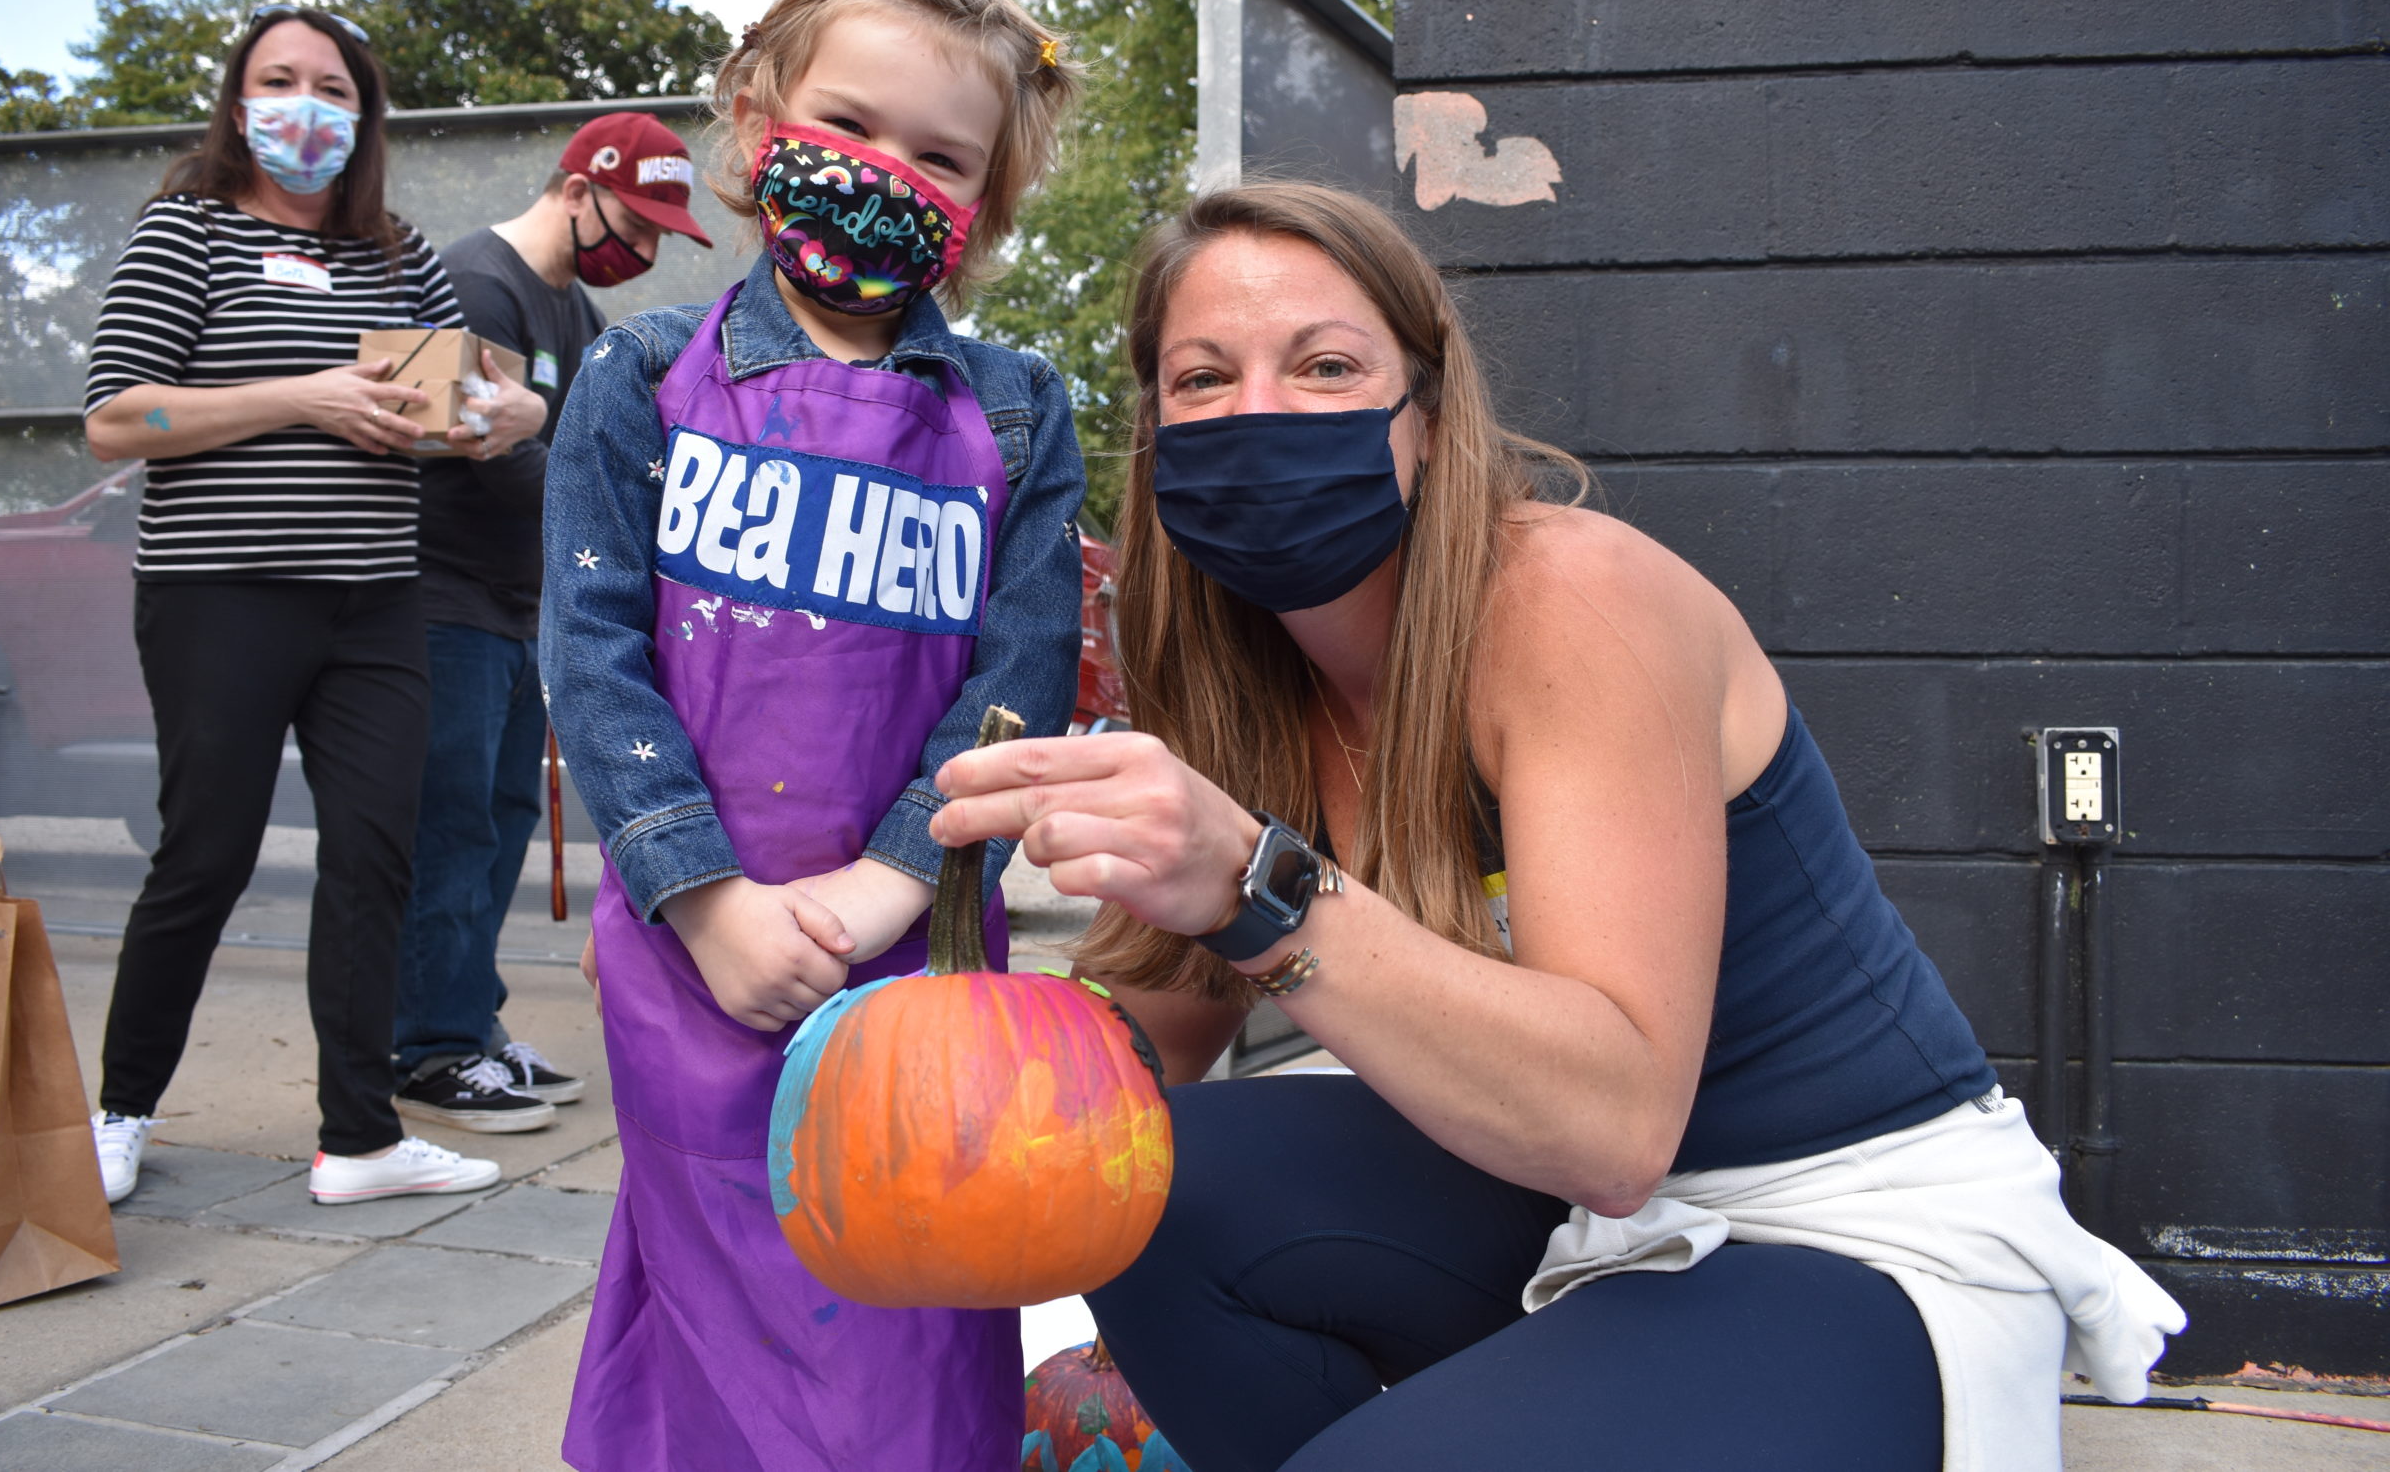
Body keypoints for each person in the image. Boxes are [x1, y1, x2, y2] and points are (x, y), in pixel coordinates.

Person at [929, 182, 2187, 1472]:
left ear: (1422, 411)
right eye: (1204, 378)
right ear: (1155, 425)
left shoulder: (1568, 600)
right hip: (1539, 1199)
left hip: (1839, 1220)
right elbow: (1125, 1068)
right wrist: (901, 1074)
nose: (1259, 412)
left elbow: (1616, 1130)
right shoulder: (1225, 676)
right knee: (1144, 1188)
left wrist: (1259, 885)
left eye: (1324, 366)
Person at [542, 0, 1085, 1471]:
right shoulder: (639, 377)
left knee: (909, 1287)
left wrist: (888, 879)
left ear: (984, 204)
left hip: (909, 947)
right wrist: (707, 899)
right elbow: (592, 654)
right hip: (686, 937)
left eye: (939, 153)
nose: (880, 167)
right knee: (714, 1269)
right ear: (759, 111)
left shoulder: (1016, 411)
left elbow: (1017, 678)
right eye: (845, 122)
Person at [82, 4, 546, 1207]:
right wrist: (304, 394)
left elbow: (464, 413)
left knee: (375, 863)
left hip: (376, 606)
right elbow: (116, 421)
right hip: (218, 595)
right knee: (207, 855)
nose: (305, 106)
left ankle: (361, 1140)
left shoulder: (397, 254)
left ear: (363, 114)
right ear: (239, 104)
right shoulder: (188, 232)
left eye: (331, 87)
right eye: (279, 80)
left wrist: (506, 418)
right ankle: (119, 1112)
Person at [391, 111, 713, 1134]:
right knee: (448, 831)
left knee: (499, 829)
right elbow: (426, 424)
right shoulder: (465, 279)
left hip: (520, 611)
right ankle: (426, 1047)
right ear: (578, 191)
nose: (648, 251)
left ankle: (470, 1029)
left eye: (665, 233)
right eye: (640, 221)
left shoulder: (567, 310)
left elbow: (564, 454)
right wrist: (553, 449)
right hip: (441, 603)